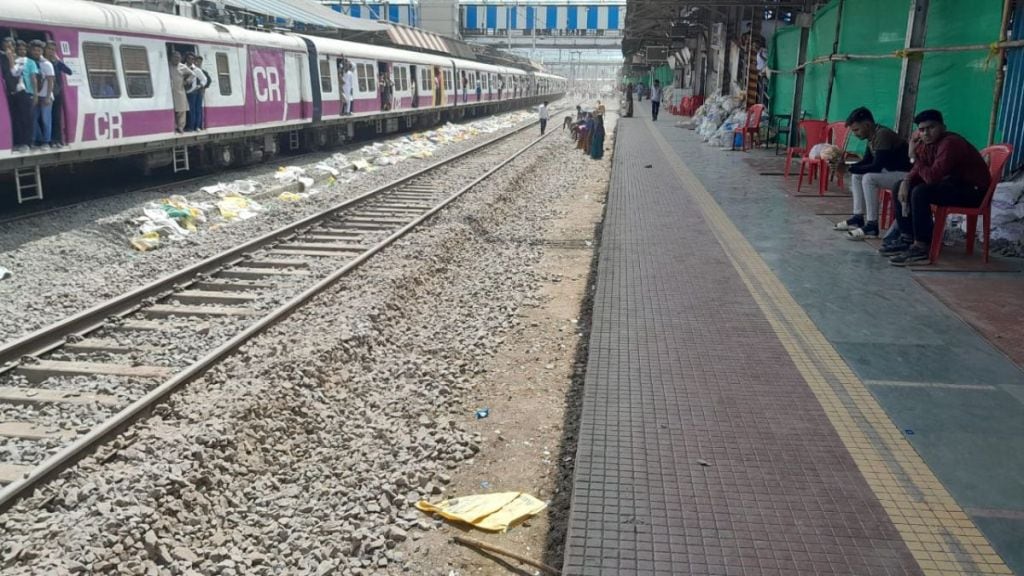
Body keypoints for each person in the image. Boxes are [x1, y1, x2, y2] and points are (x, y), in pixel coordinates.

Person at [888, 110, 992, 266]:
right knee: (899, 186)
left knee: (921, 192)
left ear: (943, 127)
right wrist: (907, 180)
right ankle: (907, 238)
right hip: (953, 185)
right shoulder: (927, 144)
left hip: (975, 193)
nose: (926, 133)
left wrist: (913, 156)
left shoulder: (950, 143)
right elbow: (919, 170)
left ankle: (922, 246)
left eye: (931, 127)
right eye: (922, 130)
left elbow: (931, 177)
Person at [832, 107, 911, 239]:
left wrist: (847, 169)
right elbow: (866, 161)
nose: (855, 134)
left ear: (867, 125)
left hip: (906, 176)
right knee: (857, 175)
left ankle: (872, 225)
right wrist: (845, 166)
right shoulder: (871, 137)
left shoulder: (882, 134)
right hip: (891, 172)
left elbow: (876, 167)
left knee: (869, 178)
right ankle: (858, 217)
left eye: (856, 130)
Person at [45, 42, 71, 148]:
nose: (51, 51)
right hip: (45, 93)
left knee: (56, 117)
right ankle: (50, 140)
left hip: (56, 93)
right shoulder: (41, 61)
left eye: (53, 49)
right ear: (45, 49)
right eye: (49, 49)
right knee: (47, 117)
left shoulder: (56, 63)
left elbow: (69, 71)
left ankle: (58, 139)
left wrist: (58, 60)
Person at [31, 40, 54, 148]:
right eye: (34, 50)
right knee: (33, 118)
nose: (36, 52)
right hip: (35, 95)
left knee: (45, 120)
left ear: (42, 51)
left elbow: (50, 81)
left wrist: (48, 96)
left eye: (39, 50)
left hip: (45, 95)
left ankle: (46, 141)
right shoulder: (30, 63)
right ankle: (38, 138)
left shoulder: (47, 64)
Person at [168, 51, 193, 134]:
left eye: (178, 58)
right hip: (169, 91)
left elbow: (192, 74)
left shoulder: (182, 66)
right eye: (175, 57)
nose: (177, 59)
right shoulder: (167, 65)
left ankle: (180, 127)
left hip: (179, 90)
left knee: (182, 109)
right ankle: (173, 126)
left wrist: (187, 81)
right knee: (172, 109)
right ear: (171, 58)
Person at [193, 55, 211, 130]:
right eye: (197, 61)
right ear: (194, 62)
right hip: (192, 92)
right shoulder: (192, 70)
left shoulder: (204, 72)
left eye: (200, 62)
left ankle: (199, 125)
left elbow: (209, 81)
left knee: (198, 109)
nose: (198, 63)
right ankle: (193, 125)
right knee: (192, 109)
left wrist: (203, 87)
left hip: (199, 92)